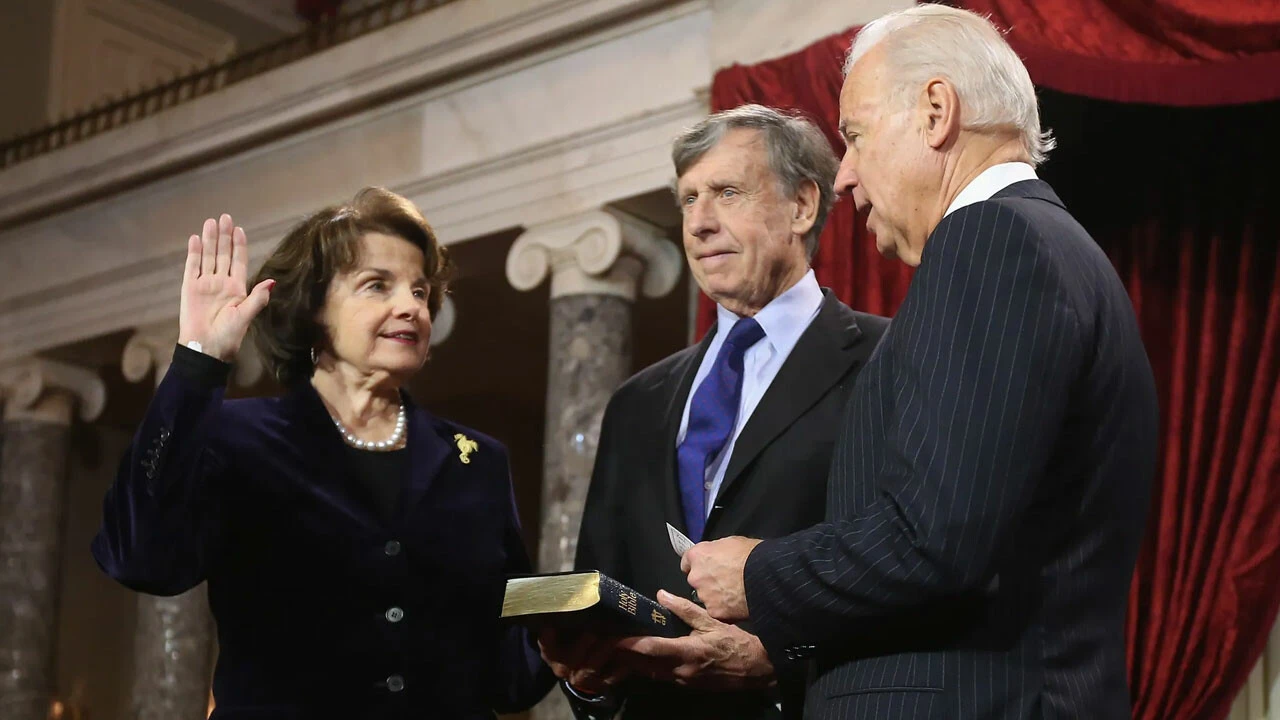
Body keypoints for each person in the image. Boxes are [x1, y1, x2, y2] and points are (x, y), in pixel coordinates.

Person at [678, 6, 1159, 719]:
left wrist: (758, 571)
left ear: (936, 111)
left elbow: (935, 538)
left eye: (856, 136)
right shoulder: (1047, 245)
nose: (845, 177)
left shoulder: (991, 240)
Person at [92, 188, 555, 718]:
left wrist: (575, 655)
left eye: (421, 291)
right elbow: (140, 557)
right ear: (313, 310)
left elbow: (509, 674)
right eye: (377, 285)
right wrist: (199, 361)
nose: (411, 306)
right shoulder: (238, 438)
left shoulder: (477, 462)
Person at [541, 105, 889, 720]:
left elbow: (910, 563)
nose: (699, 223)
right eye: (687, 200)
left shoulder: (890, 359)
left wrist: (778, 661)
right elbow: (602, 584)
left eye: (727, 192)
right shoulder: (636, 402)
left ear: (803, 207)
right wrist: (590, 681)